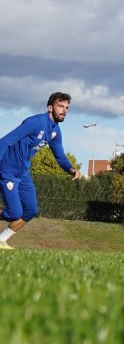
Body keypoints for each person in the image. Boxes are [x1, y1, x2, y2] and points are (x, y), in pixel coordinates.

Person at [0, 93, 81, 249]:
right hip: (8, 171)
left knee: (31, 210)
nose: (64, 110)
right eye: (60, 106)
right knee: (14, 214)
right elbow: (5, 141)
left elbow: (60, 156)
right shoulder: (35, 122)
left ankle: (1, 240)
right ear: (50, 108)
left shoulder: (56, 131)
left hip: (23, 173)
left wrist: (70, 169)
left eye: (67, 107)